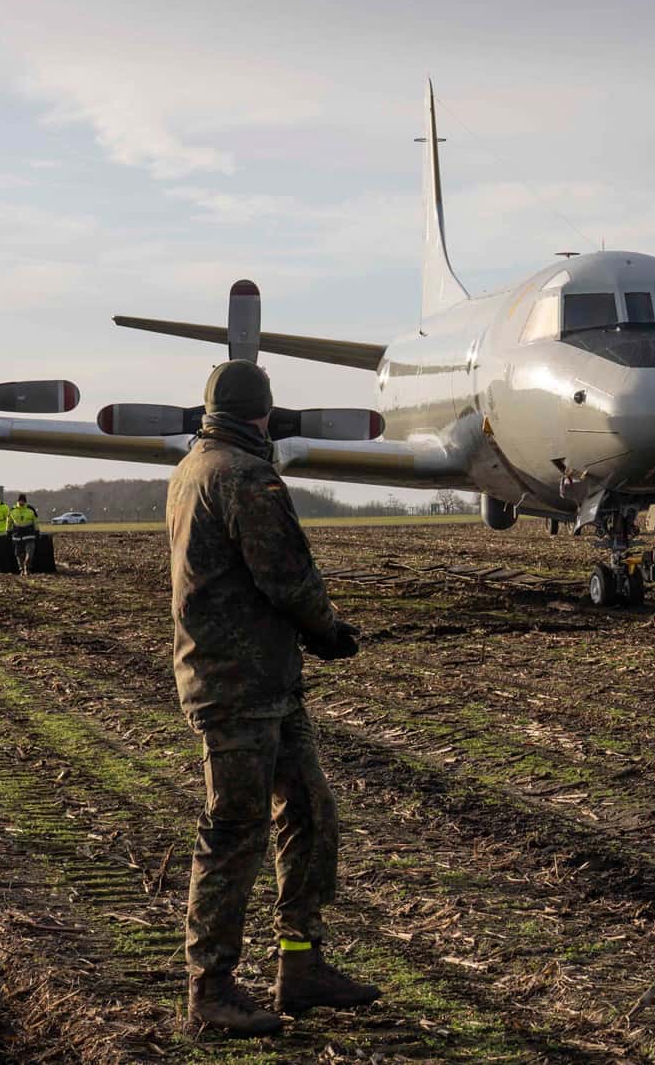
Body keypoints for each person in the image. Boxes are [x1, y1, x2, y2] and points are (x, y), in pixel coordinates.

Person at [168, 360, 377, 1037]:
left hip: (262, 682)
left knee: (311, 810)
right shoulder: (244, 476)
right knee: (234, 830)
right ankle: (210, 988)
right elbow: (287, 574)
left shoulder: (193, 467)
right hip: (240, 685)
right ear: (261, 413)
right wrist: (329, 631)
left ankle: (301, 963)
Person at [8, 493, 40, 573]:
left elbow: (35, 521)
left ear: (25, 501)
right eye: (20, 501)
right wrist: (8, 531)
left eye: (23, 501)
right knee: (19, 554)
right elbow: (9, 522)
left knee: (30, 552)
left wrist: (37, 531)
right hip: (17, 535)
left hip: (29, 534)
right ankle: (21, 569)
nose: (21, 502)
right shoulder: (12, 510)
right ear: (17, 501)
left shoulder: (31, 509)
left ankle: (27, 567)